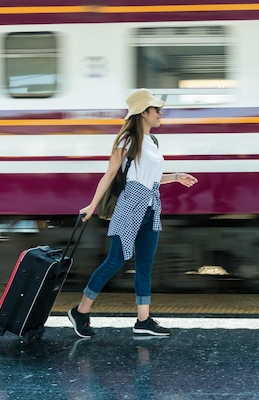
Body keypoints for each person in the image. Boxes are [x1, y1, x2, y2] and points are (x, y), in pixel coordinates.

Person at [68, 89, 198, 339]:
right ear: (143, 113)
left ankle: (143, 320)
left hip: (151, 206)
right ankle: (81, 311)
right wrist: (91, 205)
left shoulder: (152, 141)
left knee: (145, 266)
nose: (160, 113)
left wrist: (177, 177)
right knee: (115, 261)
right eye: (155, 109)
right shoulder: (125, 142)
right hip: (129, 205)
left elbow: (152, 177)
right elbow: (109, 175)